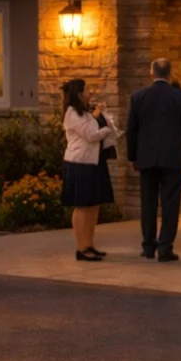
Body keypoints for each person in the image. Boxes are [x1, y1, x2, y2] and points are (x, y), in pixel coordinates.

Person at [125, 58, 181, 262]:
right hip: (173, 157)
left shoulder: (138, 96)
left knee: (148, 202)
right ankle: (165, 246)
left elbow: (131, 129)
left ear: (152, 72)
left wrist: (132, 156)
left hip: (147, 157)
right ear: (170, 74)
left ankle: (148, 245)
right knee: (170, 202)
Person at [60, 78, 118, 261]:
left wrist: (101, 115)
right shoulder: (71, 113)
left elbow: (91, 125)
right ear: (79, 94)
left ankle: (89, 244)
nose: (90, 93)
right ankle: (81, 247)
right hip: (79, 163)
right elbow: (90, 135)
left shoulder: (84, 113)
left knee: (93, 205)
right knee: (82, 206)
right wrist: (108, 130)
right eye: (87, 90)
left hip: (93, 162)